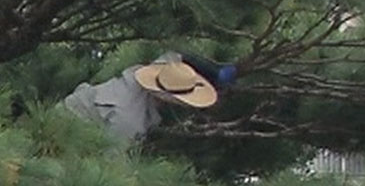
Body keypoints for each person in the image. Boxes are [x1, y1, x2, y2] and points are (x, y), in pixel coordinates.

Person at [62, 53, 237, 143]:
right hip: (63, 137)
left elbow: (178, 55)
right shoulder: (128, 120)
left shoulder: (162, 72)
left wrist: (215, 73)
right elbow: (108, 173)